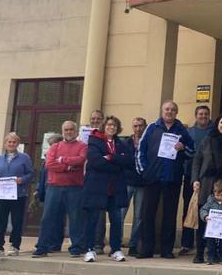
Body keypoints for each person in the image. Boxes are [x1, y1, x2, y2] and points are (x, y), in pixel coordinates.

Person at [136, 100, 195, 259]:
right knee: (147, 214)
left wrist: (183, 147)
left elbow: (192, 151)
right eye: (167, 109)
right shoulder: (152, 128)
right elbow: (141, 150)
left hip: (173, 179)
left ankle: (166, 250)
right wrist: (144, 171)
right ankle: (146, 249)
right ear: (162, 111)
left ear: (176, 113)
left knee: (169, 216)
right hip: (152, 178)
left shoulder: (182, 130)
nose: (169, 112)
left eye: (173, 110)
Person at [81, 116, 133, 262]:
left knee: (116, 220)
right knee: (93, 220)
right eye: (109, 124)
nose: (112, 127)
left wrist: (110, 157)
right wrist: (117, 161)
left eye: (115, 125)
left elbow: (129, 160)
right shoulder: (94, 141)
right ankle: (89, 249)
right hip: (97, 188)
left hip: (114, 189)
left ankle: (116, 249)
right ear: (104, 126)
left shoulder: (120, 143)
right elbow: (96, 161)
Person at [33, 121, 87, 258]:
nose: (69, 132)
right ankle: (42, 247)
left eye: (71, 129)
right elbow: (50, 164)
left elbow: (80, 160)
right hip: (54, 187)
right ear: (62, 131)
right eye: (66, 130)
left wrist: (62, 159)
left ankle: (76, 248)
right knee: (48, 218)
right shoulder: (55, 146)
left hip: (75, 187)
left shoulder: (83, 146)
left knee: (76, 218)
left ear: (76, 131)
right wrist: (68, 167)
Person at [191, 112, 222, 264]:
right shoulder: (207, 140)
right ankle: (199, 252)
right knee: (204, 219)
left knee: (219, 222)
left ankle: (217, 254)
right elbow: (197, 160)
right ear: (217, 124)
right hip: (205, 183)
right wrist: (195, 180)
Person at [0, 132, 34, 258]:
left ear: (18, 144)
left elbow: (30, 174)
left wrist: (22, 179)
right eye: (9, 142)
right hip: (2, 195)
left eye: (14, 142)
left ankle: (15, 245)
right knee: (1, 222)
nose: (11, 144)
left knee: (17, 221)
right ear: (5, 144)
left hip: (18, 195)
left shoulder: (24, 158)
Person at [180, 105, 213, 256]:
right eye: (200, 114)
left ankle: (206, 242)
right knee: (189, 208)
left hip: (209, 177)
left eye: (206, 114)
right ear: (196, 115)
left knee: (208, 209)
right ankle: (186, 243)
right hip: (191, 176)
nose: (203, 116)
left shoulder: (214, 131)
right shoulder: (188, 132)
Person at [121, 117, 147, 256]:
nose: (138, 129)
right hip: (126, 182)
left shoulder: (147, 142)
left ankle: (133, 245)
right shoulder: (125, 142)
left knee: (139, 217)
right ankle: (116, 243)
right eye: (136, 126)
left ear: (145, 127)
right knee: (120, 214)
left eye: (141, 126)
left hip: (142, 184)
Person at [34, 133, 63, 252]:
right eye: (50, 145)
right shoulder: (47, 157)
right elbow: (42, 174)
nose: (52, 147)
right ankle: (44, 242)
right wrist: (38, 188)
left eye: (54, 144)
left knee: (58, 219)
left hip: (59, 189)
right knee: (47, 218)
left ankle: (55, 243)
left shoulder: (61, 157)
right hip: (47, 189)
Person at [87, 109, 107, 254]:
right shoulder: (83, 134)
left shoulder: (105, 137)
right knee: (84, 211)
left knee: (99, 212)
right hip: (82, 177)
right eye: (93, 118)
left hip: (100, 177)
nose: (95, 121)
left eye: (98, 118)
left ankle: (98, 243)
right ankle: (83, 242)